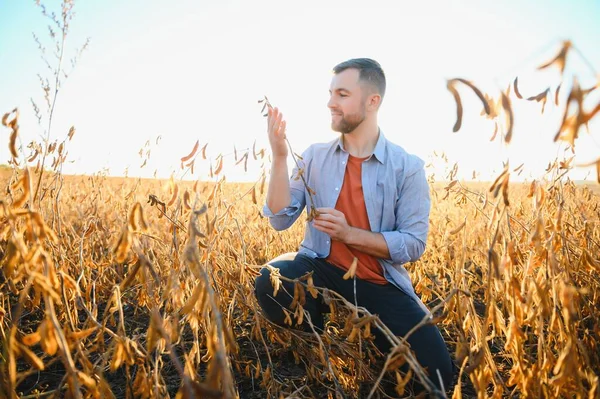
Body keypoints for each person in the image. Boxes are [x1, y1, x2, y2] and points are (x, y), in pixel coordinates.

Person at [254, 58, 455, 396]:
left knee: (436, 380)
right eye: (331, 93)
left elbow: (413, 244)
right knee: (272, 281)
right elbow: (279, 218)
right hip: (321, 270)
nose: (331, 102)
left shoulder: (407, 167)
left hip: (379, 282)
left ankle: (376, 350)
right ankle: (318, 352)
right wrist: (278, 157)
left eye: (343, 94)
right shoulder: (315, 156)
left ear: (372, 101)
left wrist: (350, 235)